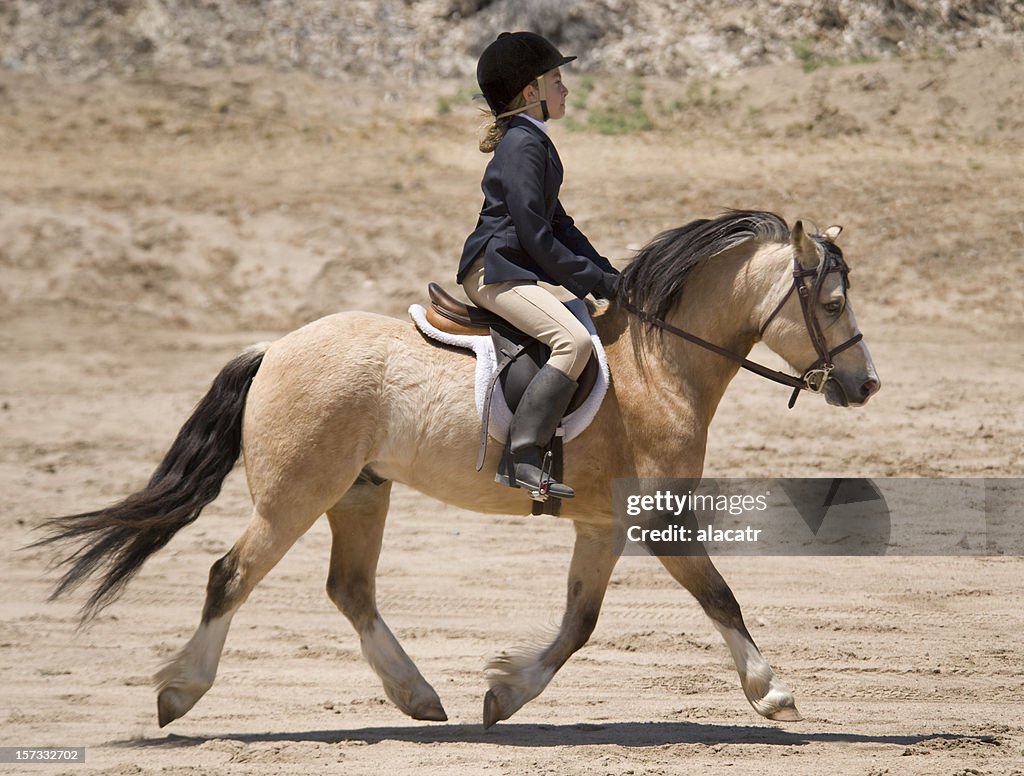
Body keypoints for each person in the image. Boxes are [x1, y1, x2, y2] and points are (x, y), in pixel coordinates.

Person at [457, 31, 620, 500]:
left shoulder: (532, 140)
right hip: (495, 269)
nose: (565, 88)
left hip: (508, 266)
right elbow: (535, 234)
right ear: (532, 92)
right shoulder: (526, 145)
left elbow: (561, 225)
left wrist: (611, 276)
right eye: (556, 79)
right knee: (571, 341)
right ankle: (523, 456)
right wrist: (592, 280)